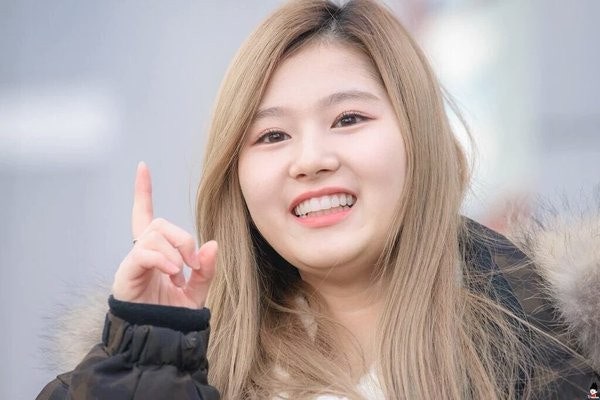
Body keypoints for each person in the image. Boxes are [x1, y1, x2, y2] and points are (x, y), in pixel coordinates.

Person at [37, 0, 600, 399]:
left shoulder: (565, 336)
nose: (310, 159)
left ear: (421, 140)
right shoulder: (176, 360)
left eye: (348, 118)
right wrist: (148, 358)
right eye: (271, 135)